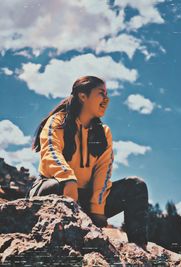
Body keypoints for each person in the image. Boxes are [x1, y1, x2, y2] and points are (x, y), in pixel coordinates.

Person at [27, 75, 149, 251]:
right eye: (101, 93)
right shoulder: (58, 122)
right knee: (55, 186)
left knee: (136, 186)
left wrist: (97, 210)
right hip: (55, 189)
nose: (106, 99)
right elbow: (50, 153)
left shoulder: (103, 133)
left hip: (85, 200)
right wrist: (68, 180)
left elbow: (103, 170)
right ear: (83, 96)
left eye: (107, 94)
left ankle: (139, 249)